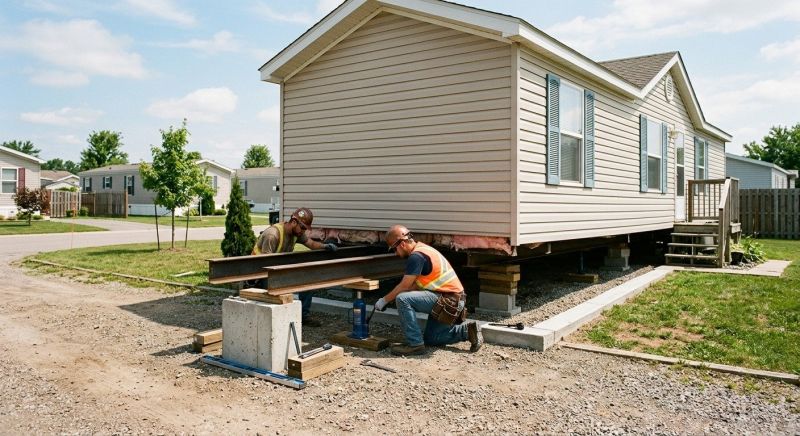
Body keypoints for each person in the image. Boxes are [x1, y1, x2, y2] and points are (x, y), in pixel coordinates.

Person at [375, 225, 482, 356]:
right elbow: (414, 286)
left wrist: (384, 300)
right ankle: (468, 331)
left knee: (402, 299)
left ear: (402, 244)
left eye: (394, 249)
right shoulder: (423, 250)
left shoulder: (416, 256)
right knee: (432, 339)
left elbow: (404, 286)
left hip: (448, 301)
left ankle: (415, 345)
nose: (396, 253)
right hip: (452, 301)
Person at [252, 207, 337, 327]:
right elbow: (265, 263)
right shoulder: (272, 235)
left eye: (305, 229)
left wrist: (325, 246)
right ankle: (275, 319)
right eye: (302, 228)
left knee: (307, 280)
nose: (303, 231)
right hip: (259, 273)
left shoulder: (296, 233)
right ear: (293, 222)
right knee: (276, 287)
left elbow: (311, 244)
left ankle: (303, 316)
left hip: (278, 269)